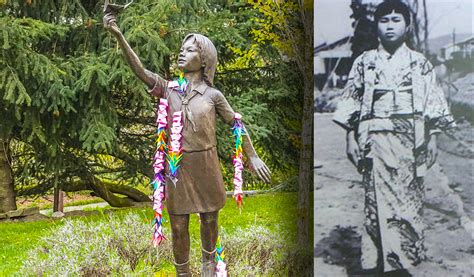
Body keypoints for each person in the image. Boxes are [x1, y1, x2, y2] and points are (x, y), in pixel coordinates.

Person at [103, 11, 271, 277]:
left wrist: (252, 156)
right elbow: (140, 71)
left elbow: (235, 123)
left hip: (206, 164)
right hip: (177, 168)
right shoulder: (169, 89)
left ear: (203, 60)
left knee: (210, 219)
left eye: (189, 50)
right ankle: (183, 273)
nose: (182, 54)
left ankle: (208, 269)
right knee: (178, 226)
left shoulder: (213, 95)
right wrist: (119, 34)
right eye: (181, 49)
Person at [333, 0, 454, 275]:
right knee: (376, 203)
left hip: (412, 142)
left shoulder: (420, 63)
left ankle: (403, 262)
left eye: (396, 20)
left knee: (409, 202)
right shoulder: (365, 62)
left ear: (408, 26)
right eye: (384, 20)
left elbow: (432, 102)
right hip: (374, 140)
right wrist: (350, 138)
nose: (390, 26)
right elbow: (352, 101)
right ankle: (381, 263)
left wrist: (433, 137)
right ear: (376, 26)